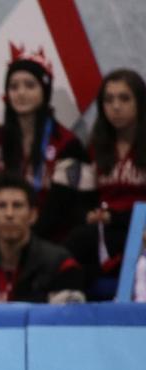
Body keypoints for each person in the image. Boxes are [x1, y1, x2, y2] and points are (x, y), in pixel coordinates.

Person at [0, 45, 94, 243]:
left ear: (44, 91)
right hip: (3, 241)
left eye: (30, 85)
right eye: (14, 86)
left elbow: (60, 209)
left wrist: (24, 243)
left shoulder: (67, 143)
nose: (21, 93)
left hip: (51, 243)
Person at [66, 69, 146, 300]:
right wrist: (93, 215)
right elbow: (83, 200)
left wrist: (117, 217)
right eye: (109, 100)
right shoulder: (96, 146)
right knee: (76, 242)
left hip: (140, 230)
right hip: (106, 230)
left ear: (140, 102)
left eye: (124, 98)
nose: (116, 107)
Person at [0, 173, 84, 303]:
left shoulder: (60, 265)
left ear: (33, 215)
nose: (9, 214)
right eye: (1, 206)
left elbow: (66, 319)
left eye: (17, 205)